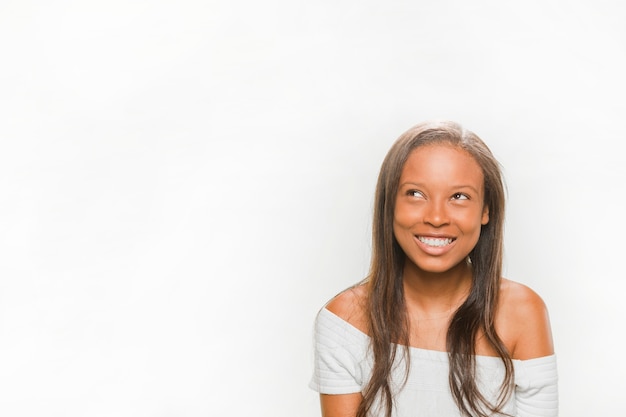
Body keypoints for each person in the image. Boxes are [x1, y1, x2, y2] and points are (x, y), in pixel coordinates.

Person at [309, 120, 557, 417]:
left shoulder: (522, 312)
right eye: (415, 193)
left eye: (459, 197)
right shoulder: (344, 322)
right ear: (390, 204)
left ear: (486, 210)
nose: (436, 217)